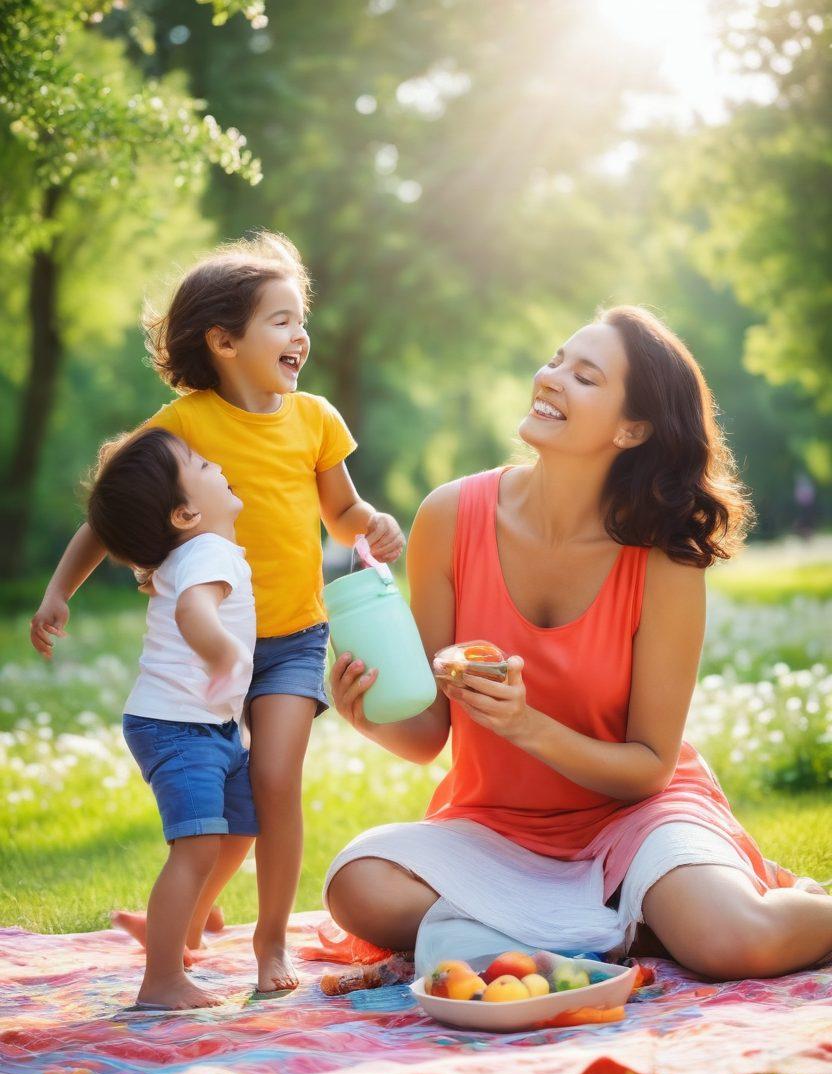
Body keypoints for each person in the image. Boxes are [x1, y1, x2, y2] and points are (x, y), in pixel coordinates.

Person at [325, 306, 831, 981]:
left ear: (632, 427)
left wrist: (524, 724)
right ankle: (626, 926)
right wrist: (369, 712)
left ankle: (607, 922)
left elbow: (650, 765)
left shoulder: (665, 554)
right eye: (557, 359)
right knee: (356, 884)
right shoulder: (450, 516)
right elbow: (428, 735)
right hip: (498, 830)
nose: (551, 377)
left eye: (584, 375)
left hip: (639, 817)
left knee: (734, 942)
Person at [30, 233, 404, 992]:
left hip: (294, 637)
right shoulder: (184, 427)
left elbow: (341, 514)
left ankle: (270, 943)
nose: (299, 335)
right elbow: (111, 511)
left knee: (274, 778)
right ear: (224, 340)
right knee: (227, 795)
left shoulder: (316, 420)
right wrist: (59, 590)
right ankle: (192, 916)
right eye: (280, 320)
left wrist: (373, 525)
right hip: (212, 650)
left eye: (301, 320)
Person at [87, 428, 257, 1009]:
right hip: (178, 727)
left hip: (205, 726)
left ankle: (180, 927)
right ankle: (161, 979)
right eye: (203, 464)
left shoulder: (197, 551)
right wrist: (225, 652)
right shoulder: (207, 553)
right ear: (185, 513)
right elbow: (194, 610)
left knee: (238, 828)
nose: (218, 464)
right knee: (198, 844)